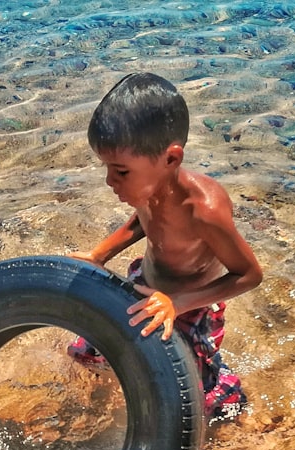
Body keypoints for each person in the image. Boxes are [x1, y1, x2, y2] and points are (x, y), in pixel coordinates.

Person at [68, 72, 264, 418]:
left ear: (171, 159)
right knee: (87, 350)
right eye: (106, 168)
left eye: (121, 171)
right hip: (148, 285)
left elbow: (249, 275)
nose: (109, 180)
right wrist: (101, 253)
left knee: (197, 396)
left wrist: (178, 302)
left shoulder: (204, 211)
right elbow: (143, 221)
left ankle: (232, 418)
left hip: (192, 306)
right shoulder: (148, 188)